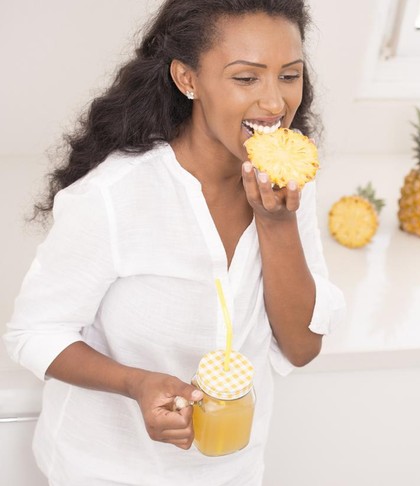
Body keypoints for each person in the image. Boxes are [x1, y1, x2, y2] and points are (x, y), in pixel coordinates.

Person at [3, 0, 345, 484]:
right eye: (246, 78)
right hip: (105, 471)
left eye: (289, 76)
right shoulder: (113, 196)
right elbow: (33, 334)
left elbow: (302, 346)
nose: (274, 104)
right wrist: (136, 384)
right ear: (188, 79)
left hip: (233, 470)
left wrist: (276, 224)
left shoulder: (289, 186)